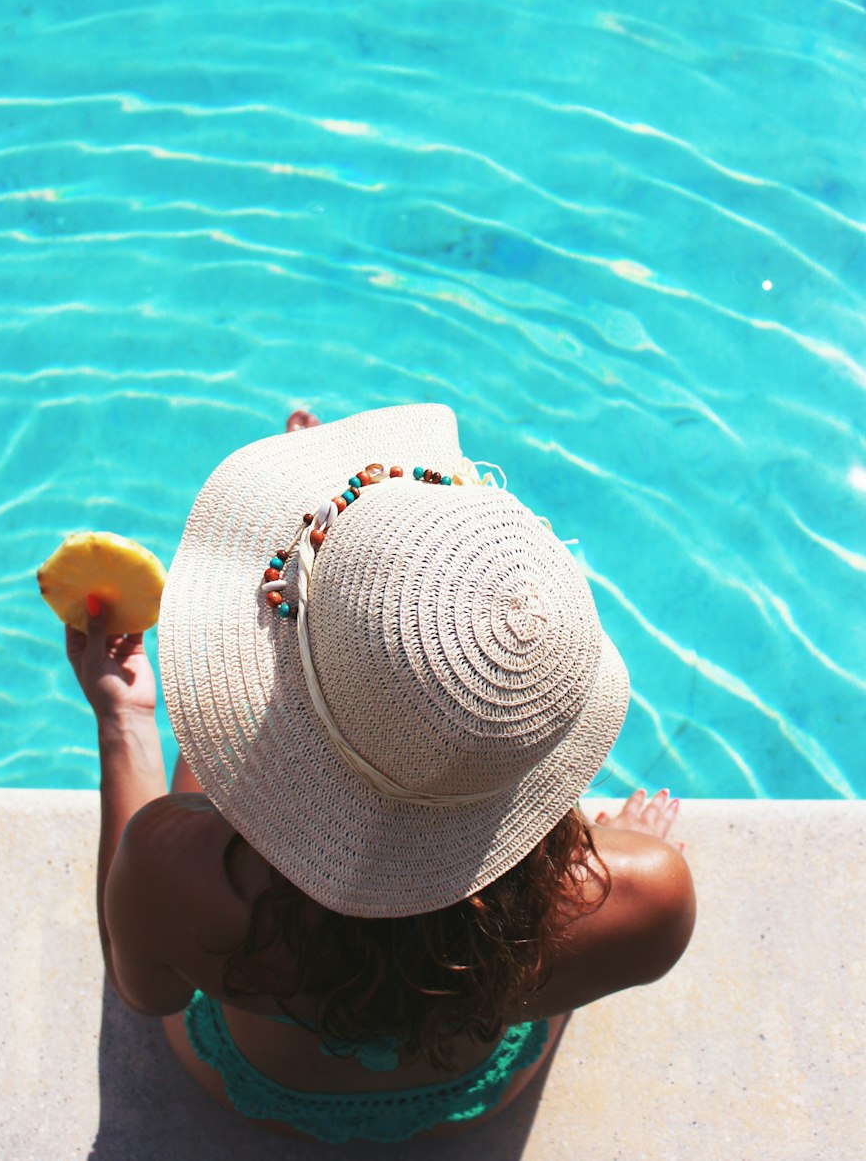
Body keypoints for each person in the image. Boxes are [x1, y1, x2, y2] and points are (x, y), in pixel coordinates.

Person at [65, 404, 695, 1144]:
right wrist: (604, 859)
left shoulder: (173, 869)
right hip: (472, 1091)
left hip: (252, 1082)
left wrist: (125, 720)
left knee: (213, 763)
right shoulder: (645, 897)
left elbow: (145, 992)